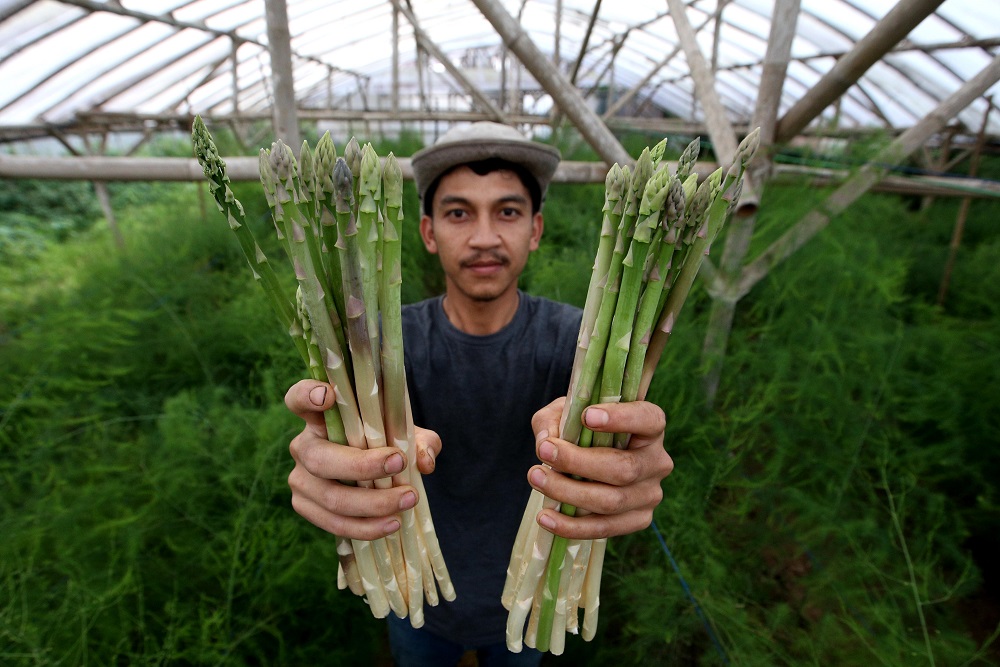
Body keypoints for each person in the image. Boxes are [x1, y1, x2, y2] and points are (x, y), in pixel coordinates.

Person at [284, 122, 674, 666]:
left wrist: (629, 454)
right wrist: (334, 445)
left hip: (541, 594)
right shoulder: (373, 347)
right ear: (425, 232)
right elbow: (338, 437)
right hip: (408, 592)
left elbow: (626, 435)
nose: (485, 237)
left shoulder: (589, 344)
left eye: (508, 212)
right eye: (459, 212)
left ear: (536, 229)